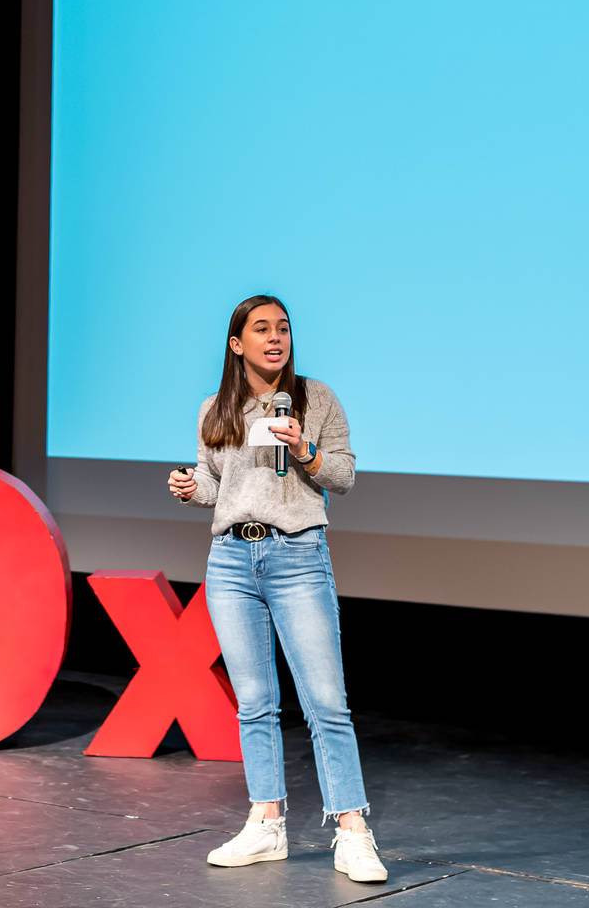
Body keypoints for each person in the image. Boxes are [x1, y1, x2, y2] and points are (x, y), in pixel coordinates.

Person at [166, 294, 387, 884]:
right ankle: (266, 824)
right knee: (254, 703)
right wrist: (192, 487)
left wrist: (305, 450)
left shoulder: (315, 400)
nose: (275, 337)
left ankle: (352, 830)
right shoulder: (215, 410)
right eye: (261, 329)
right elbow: (220, 487)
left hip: (297, 558)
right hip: (231, 561)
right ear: (236, 344)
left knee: (327, 703)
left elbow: (343, 476)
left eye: (283, 328)